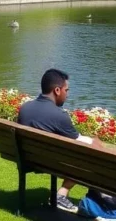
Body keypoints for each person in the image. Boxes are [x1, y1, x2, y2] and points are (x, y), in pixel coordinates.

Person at [18, 69, 107, 214]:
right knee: (93, 151)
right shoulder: (59, 115)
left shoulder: (25, 108)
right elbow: (79, 141)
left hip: (28, 158)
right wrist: (95, 142)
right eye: (66, 90)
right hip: (53, 163)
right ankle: (62, 194)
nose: (67, 94)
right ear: (57, 90)